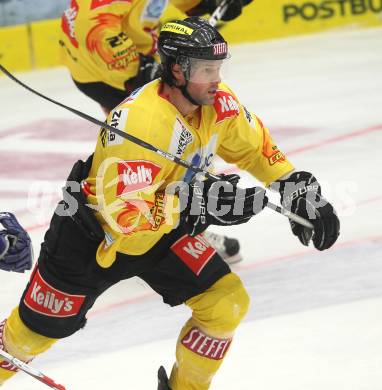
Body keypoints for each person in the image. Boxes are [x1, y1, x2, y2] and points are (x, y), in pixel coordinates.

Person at [0, 17, 340, 389]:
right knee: (25, 340)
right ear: (178, 70)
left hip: (162, 231)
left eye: (218, 68)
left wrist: (292, 185)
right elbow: (124, 218)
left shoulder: (217, 102)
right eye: (206, 69)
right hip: (90, 239)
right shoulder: (141, 123)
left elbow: (254, 147)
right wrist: (201, 206)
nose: (216, 78)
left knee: (225, 304)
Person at [59, 0, 253, 265]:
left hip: (112, 57)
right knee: (168, 137)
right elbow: (92, 28)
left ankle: (134, 221)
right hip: (102, 68)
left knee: (146, 146)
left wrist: (205, 3)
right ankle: (171, 228)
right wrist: (138, 69)